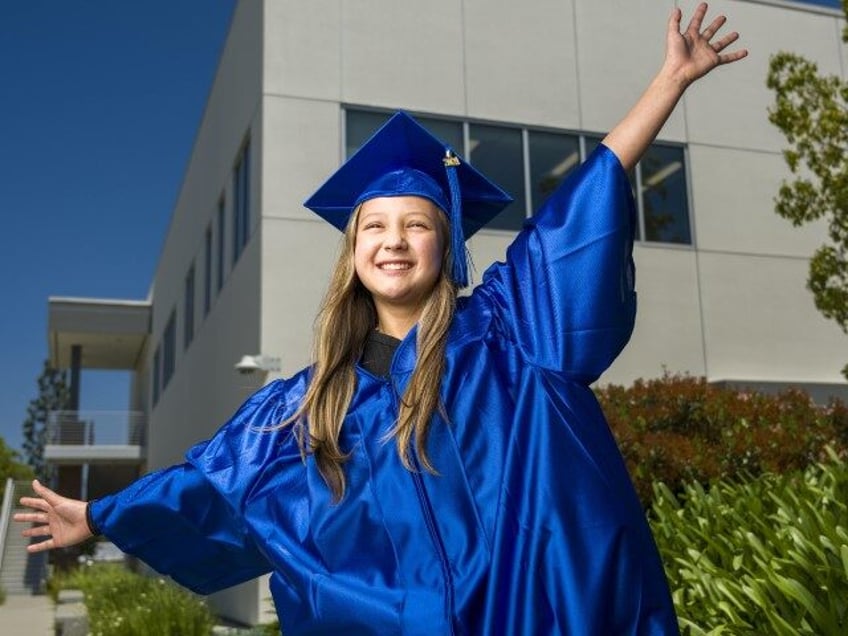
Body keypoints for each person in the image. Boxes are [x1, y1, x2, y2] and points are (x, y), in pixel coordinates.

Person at [16, 5, 746, 634]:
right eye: (374, 227)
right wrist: (103, 515)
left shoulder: (512, 330)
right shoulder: (308, 404)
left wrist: (668, 83)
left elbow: (578, 208)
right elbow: (214, 485)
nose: (394, 240)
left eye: (417, 224)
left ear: (448, 242)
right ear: (352, 253)